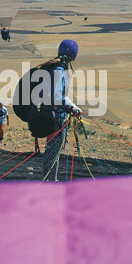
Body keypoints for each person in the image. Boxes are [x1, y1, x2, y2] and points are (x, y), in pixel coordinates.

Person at [33, 39, 82, 181]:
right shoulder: (60, 70)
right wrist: (72, 107)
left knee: (52, 151)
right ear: (73, 55)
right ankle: (50, 181)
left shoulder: (52, 68)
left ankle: (49, 180)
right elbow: (57, 96)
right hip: (56, 119)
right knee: (53, 152)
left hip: (48, 115)